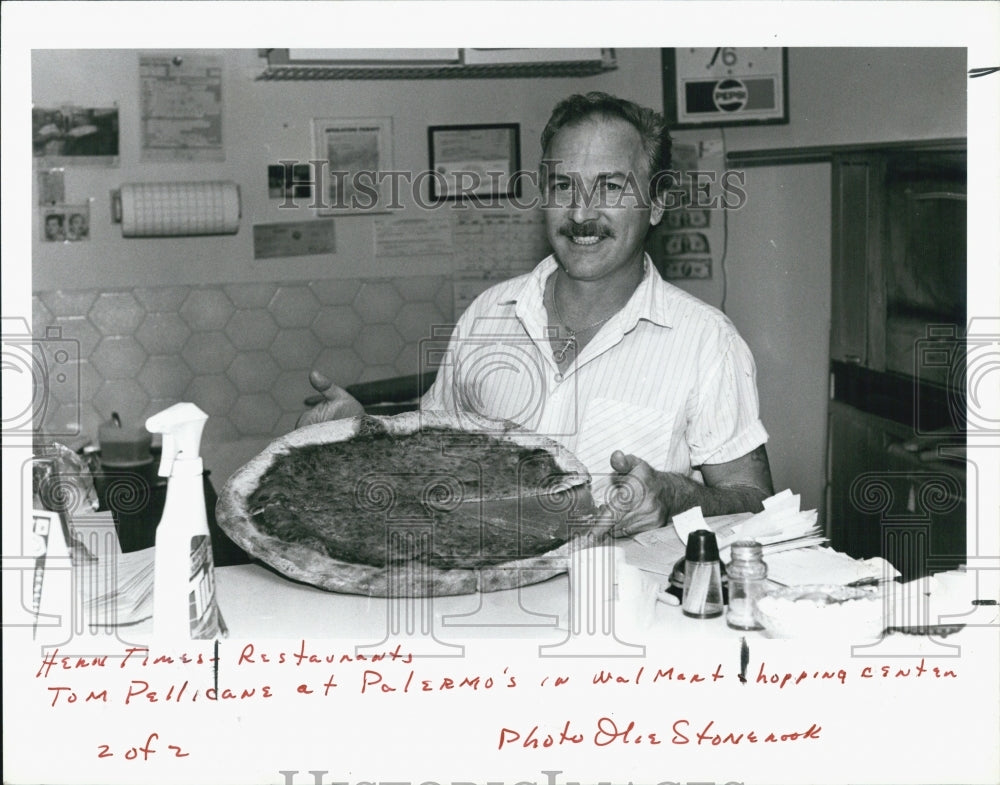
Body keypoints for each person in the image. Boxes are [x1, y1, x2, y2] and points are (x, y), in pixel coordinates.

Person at [302, 92, 773, 537]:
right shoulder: (488, 314)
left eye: (611, 186)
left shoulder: (706, 341)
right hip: (494, 586)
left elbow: (755, 502)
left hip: (626, 593)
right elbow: (430, 459)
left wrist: (676, 496)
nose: (581, 214)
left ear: (657, 204)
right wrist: (357, 434)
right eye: (563, 185)